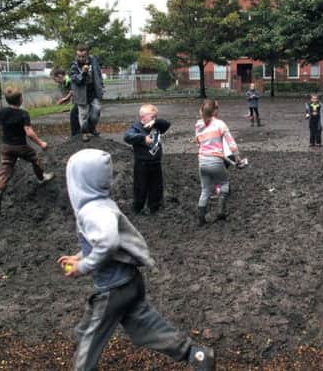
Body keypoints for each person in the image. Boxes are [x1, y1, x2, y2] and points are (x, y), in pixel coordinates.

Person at [58, 149, 215, 371]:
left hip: (113, 289)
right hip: (129, 282)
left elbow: (108, 243)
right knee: (146, 329)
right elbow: (103, 241)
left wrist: (83, 266)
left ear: (78, 181)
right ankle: (196, 355)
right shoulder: (102, 204)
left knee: (89, 338)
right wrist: (79, 255)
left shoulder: (92, 211)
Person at [0, 87, 54, 213]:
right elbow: (29, 132)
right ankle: (42, 177)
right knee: (35, 158)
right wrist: (41, 143)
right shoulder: (23, 114)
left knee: (5, 169)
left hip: (6, 147)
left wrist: (2, 128)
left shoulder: (1, 111)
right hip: (20, 146)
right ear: (20, 100)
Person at [195, 99, 241, 225]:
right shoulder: (220, 124)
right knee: (224, 183)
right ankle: (221, 211)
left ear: (201, 111)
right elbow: (231, 142)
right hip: (216, 161)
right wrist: (237, 158)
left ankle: (201, 218)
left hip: (202, 161)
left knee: (205, 189)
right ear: (215, 111)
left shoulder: (198, 125)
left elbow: (199, 142)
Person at [124, 103, 171, 215]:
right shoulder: (136, 128)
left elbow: (166, 124)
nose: (155, 119)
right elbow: (127, 137)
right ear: (143, 118)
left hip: (156, 162)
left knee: (156, 187)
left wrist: (155, 121)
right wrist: (143, 138)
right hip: (142, 163)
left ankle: (154, 208)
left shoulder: (157, 126)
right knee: (141, 187)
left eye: (156, 117)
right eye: (152, 117)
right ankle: (138, 208)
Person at [70, 43, 104, 142]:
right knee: (83, 115)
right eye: (79, 56)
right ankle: (84, 133)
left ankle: (92, 128)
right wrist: (83, 73)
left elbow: (98, 73)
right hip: (81, 95)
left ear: (87, 54)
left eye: (83, 56)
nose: (81, 58)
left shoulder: (94, 61)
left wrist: (101, 86)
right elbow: (76, 80)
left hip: (93, 92)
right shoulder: (74, 66)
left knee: (96, 111)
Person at [52, 67, 80, 138]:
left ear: (59, 76)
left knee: (74, 115)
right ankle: (76, 135)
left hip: (83, 100)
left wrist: (65, 99)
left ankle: (75, 136)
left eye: (55, 80)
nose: (56, 82)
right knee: (75, 115)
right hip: (78, 100)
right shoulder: (66, 81)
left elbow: (72, 91)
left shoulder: (69, 80)